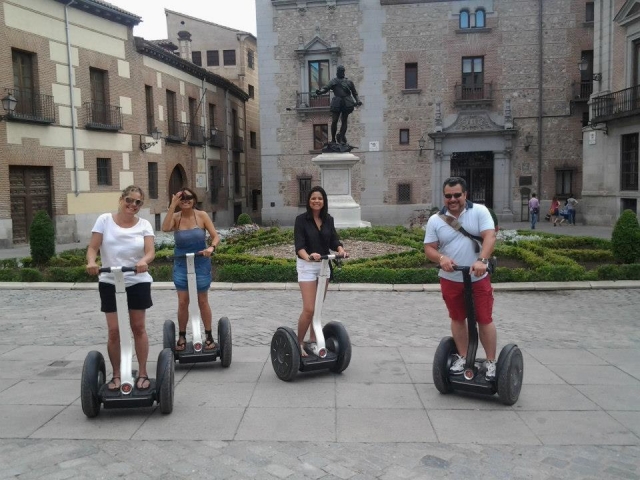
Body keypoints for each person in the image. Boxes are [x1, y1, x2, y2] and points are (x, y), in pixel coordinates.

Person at [423, 177, 497, 380]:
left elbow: (490, 236)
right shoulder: (436, 219)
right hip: (451, 277)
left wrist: (482, 260)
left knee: (484, 318)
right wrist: (441, 258)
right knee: (457, 318)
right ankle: (463, 357)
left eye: (457, 195)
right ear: (444, 197)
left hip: (478, 277)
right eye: (448, 196)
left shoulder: (480, 212)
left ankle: (491, 361)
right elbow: (429, 248)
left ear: (465, 195)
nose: (453, 199)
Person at [86, 186, 155, 391]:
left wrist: (143, 261)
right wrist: (91, 262)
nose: (132, 205)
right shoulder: (104, 220)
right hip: (109, 279)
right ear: (121, 199)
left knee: (138, 328)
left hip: (137, 280)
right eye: (129, 200)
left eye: (137, 203)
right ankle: (117, 374)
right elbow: (93, 247)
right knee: (114, 330)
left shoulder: (144, 225)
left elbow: (150, 251)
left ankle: (142, 372)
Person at [162, 187, 220, 352]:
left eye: (189, 197)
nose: (185, 200)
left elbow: (215, 236)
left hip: (200, 261)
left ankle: (208, 335)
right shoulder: (175, 217)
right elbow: (165, 228)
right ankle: (181, 335)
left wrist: (211, 248)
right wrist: (172, 206)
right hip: (181, 262)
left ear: (194, 199)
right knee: (182, 302)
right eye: (182, 198)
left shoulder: (201, 216)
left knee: (202, 300)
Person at [294, 186, 348, 357]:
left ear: (324, 202)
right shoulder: (301, 220)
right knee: (309, 308)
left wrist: (340, 250)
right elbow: (299, 246)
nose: (316, 201)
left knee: (317, 308)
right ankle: (298, 342)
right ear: (309, 201)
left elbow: (333, 239)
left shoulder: (328, 219)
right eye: (313, 198)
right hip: (307, 266)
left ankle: (312, 340)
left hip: (324, 266)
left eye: (320, 198)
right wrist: (309, 256)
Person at [315, 65, 362, 145]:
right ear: (337, 72)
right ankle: (333, 139)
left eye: (341, 71)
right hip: (337, 102)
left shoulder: (349, 82)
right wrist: (320, 92)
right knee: (334, 121)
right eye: (339, 71)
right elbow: (326, 88)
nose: (340, 73)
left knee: (344, 121)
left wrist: (358, 100)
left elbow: (354, 93)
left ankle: (341, 137)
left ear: (343, 72)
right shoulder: (333, 81)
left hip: (346, 102)